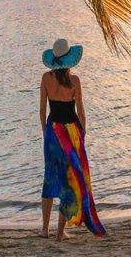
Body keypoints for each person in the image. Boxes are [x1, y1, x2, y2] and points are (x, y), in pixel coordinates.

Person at [38, 37, 104, 240]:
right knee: (70, 180)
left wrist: (46, 133)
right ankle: (59, 233)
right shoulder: (74, 81)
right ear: (69, 59)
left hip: (52, 131)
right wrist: (82, 134)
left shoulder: (46, 78)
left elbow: (42, 110)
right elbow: (81, 111)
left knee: (50, 179)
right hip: (70, 133)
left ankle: (45, 230)